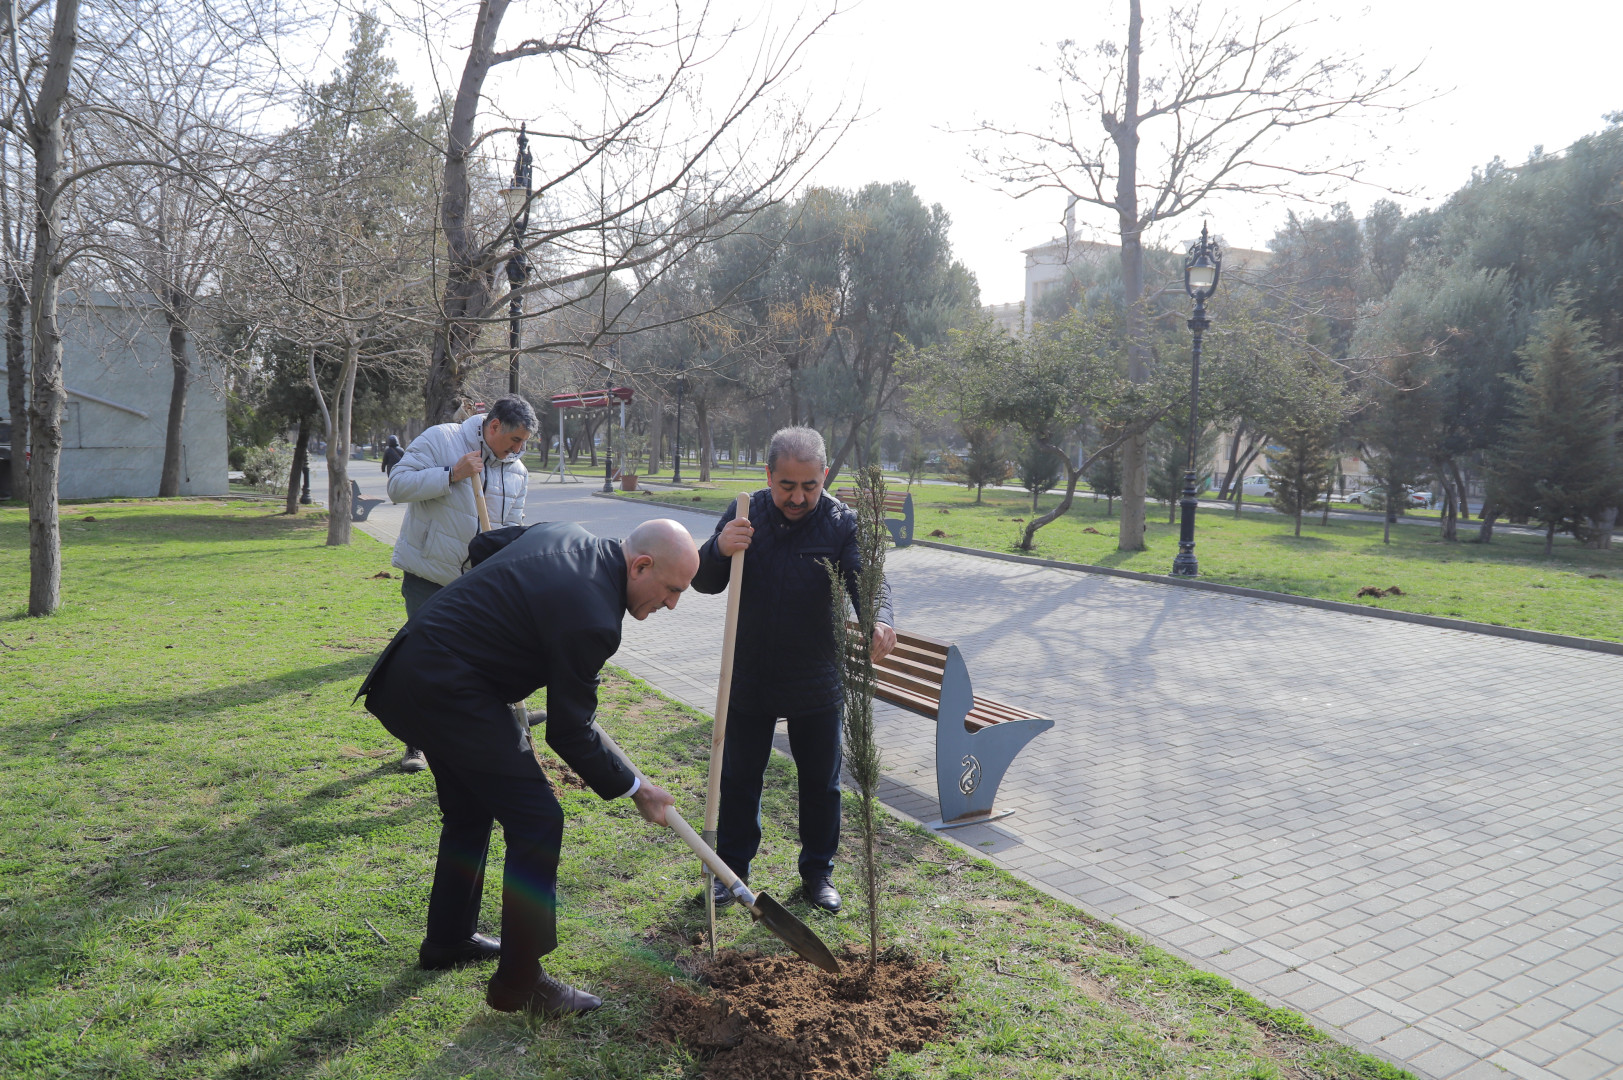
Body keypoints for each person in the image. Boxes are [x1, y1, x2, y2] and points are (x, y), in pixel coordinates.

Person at [356, 518, 696, 1015]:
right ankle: (521, 980)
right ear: (641, 565)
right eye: (671, 590)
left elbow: (485, 543)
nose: (672, 604)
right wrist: (636, 789)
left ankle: (448, 941)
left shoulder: (566, 532)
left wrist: (502, 613)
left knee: (471, 809)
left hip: (411, 671)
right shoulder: (594, 617)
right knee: (538, 819)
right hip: (451, 689)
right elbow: (569, 730)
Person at [692, 426, 895, 915]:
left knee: (821, 782)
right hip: (750, 675)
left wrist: (879, 620)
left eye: (810, 485)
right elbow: (702, 580)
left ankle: (818, 874)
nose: (799, 497)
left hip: (816, 677)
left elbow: (867, 580)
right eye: (787, 486)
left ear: (825, 476)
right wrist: (720, 548)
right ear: (768, 475)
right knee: (740, 777)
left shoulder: (841, 523)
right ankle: (731, 870)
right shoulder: (746, 511)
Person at [384, 395, 536, 772]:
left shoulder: (517, 471)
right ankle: (416, 743)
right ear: (494, 425)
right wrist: (451, 474)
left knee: (482, 661)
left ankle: (497, 728)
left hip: (479, 585)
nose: (518, 449)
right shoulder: (442, 439)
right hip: (429, 575)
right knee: (423, 662)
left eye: (524, 443)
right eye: (514, 440)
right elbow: (397, 486)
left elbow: (512, 526)